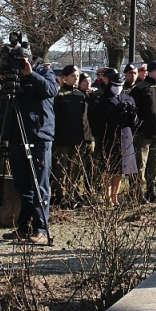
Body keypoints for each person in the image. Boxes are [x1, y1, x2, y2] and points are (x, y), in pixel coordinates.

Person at [1, 51, 58, 242]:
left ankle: (40, 228)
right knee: (23, 185)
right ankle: (23, 226)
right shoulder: (13, 74)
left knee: (39, 184)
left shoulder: (43, 72)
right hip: (17, 134)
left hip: (39, 135)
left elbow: (52, 90)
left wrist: (30, 74)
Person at [90, 68, 137, 205]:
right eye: (115, 85)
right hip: (110, 137)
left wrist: (132, 114)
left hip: (125, 138)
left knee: (120, 170)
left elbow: (135, 122)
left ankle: (115, 197)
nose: (118, 88)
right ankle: (107, 196)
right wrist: (114, 112)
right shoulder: (102, 99)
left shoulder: (128, 98)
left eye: (120, 85)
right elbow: (97, 119)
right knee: (109, 170)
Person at [53, 64, 93, 207]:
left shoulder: (81, 95)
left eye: (77, 76)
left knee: (75, 170)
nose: (76, 79)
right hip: (62, 139)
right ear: (64, 78)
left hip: (77, 139)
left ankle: (72, 195)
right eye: (72, 76)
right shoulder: (58, 95)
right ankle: (59, 197)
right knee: (61, 170)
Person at [130, 61, 156, 201]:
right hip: (143, 133)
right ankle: (138, 192)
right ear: (149, 72)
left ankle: (152, 191)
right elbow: (132, 110)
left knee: (155, 164)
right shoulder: (140, 88)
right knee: (141, 165)